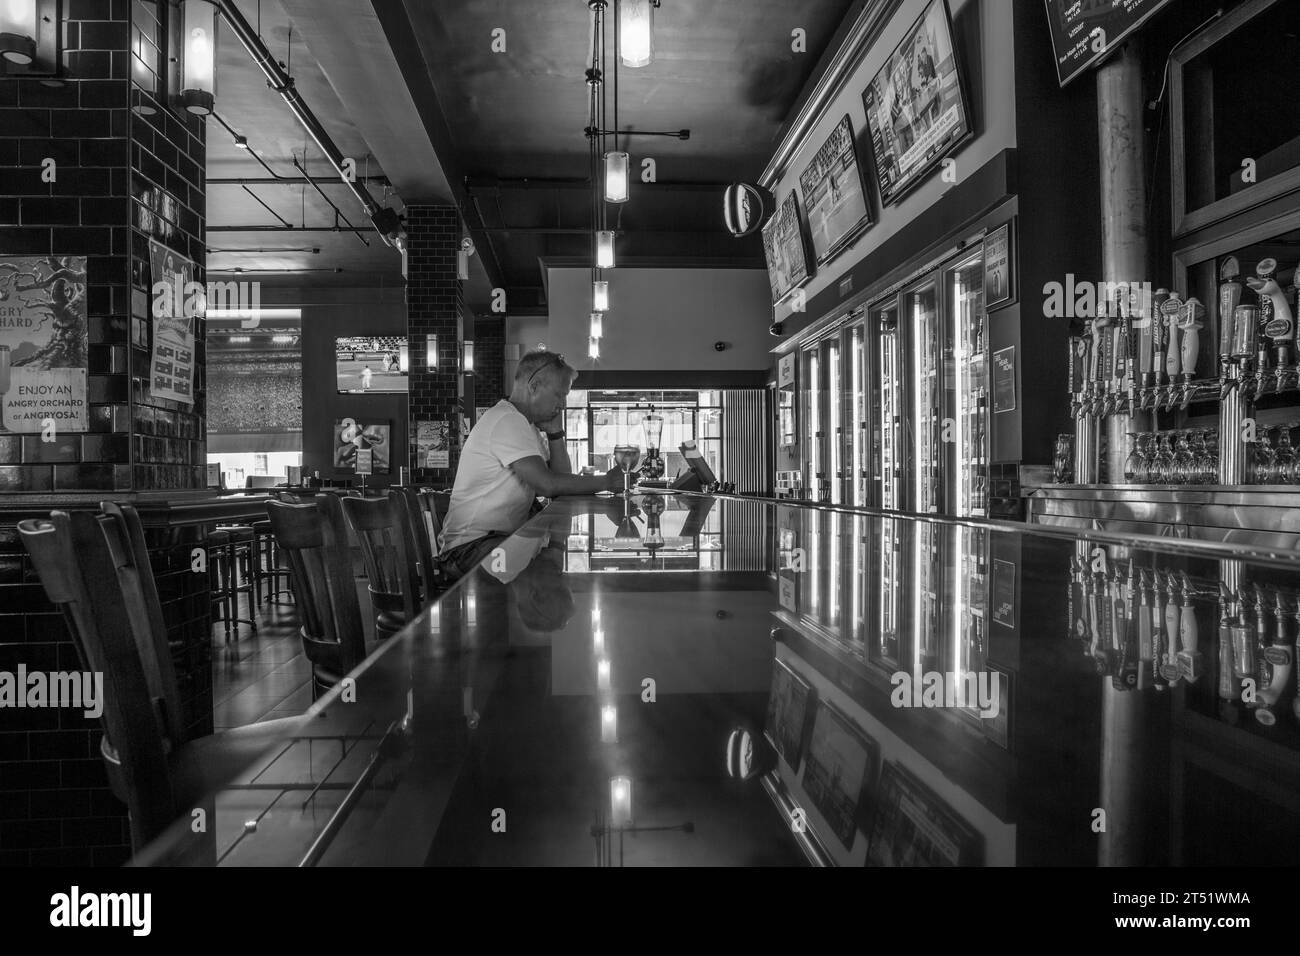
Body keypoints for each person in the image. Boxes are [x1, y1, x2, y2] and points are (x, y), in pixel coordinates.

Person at [436, 350, 625, 581]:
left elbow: (559, 483)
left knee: (541, 571)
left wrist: (555, 433)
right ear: (534, 386)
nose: (563, 405)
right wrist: (607, 481)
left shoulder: (527, 426)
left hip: (491, 543)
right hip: (468, 549)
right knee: (537, 577)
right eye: (559, 395)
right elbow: (547, 485)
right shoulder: (507, 420)